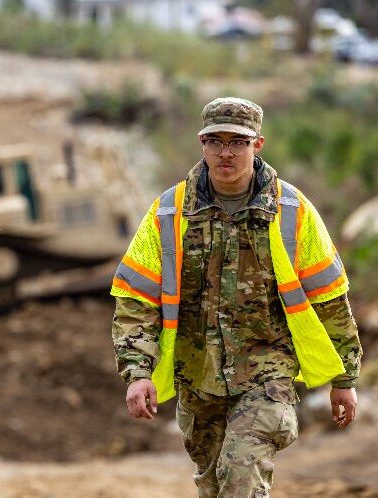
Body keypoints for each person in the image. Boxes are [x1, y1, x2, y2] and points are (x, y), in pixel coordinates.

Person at [110, 97, 362, 497]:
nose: (225, 152)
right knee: (214, 485)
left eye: (238, 142)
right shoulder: (168, 212)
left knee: (241, 473)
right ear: (202, 143)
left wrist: (344, 378)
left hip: (267, 372)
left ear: (257, 145)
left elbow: (330, 297)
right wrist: (138, 371)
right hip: (198, 376)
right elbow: (136, 299)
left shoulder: (292, 211)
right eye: (215, 141)